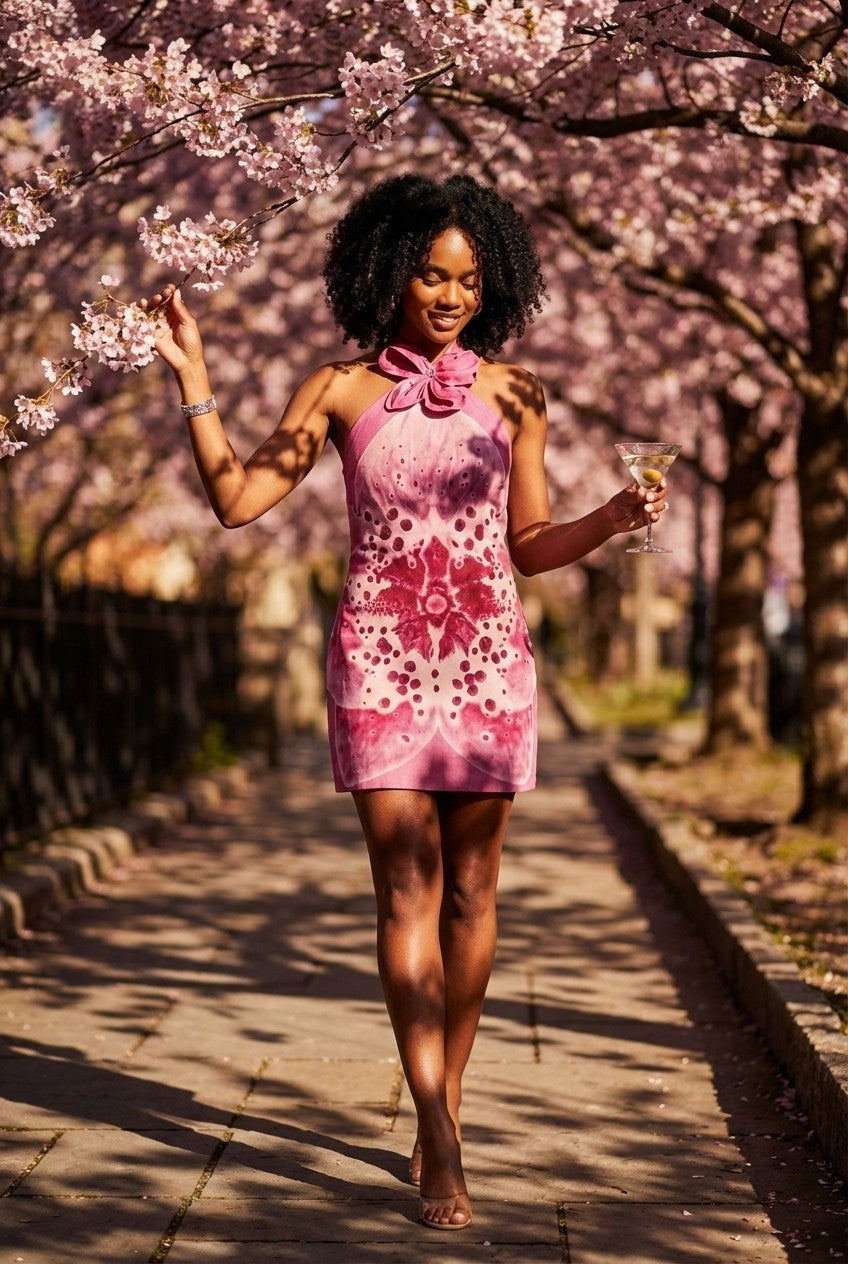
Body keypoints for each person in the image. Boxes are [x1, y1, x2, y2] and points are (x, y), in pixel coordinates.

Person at [142, 173, 668, 1231]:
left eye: (466, 279)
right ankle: (433, 1117)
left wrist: (608, 518)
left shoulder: (517, 395)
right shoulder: (335, 391)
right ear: (387, 272)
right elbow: (239, 500)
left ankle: (446, 1093)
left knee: (473, 893)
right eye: (429, 273)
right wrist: (195, 381)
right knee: (405, 895)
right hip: (378, 662)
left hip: (484, 660)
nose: (447, 294)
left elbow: (525, 545)